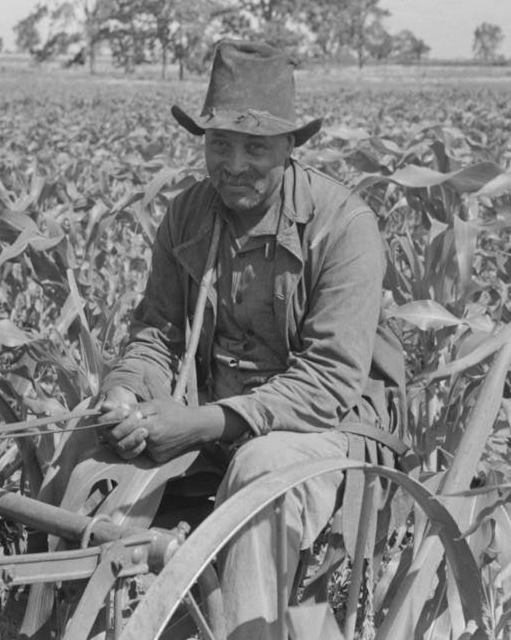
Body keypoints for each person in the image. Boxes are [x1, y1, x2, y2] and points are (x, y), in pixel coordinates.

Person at [97, 39, 404, 639]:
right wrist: (127, 393)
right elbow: (157, 333)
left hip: (330, 431)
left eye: (255, 146)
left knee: (261, 472)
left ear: (290, 147)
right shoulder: (187, 215)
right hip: (215, 423)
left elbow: (330, 381)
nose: (233, 163)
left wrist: (204, 422)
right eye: (219, 143)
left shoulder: (343, 227)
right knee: (92, 455)